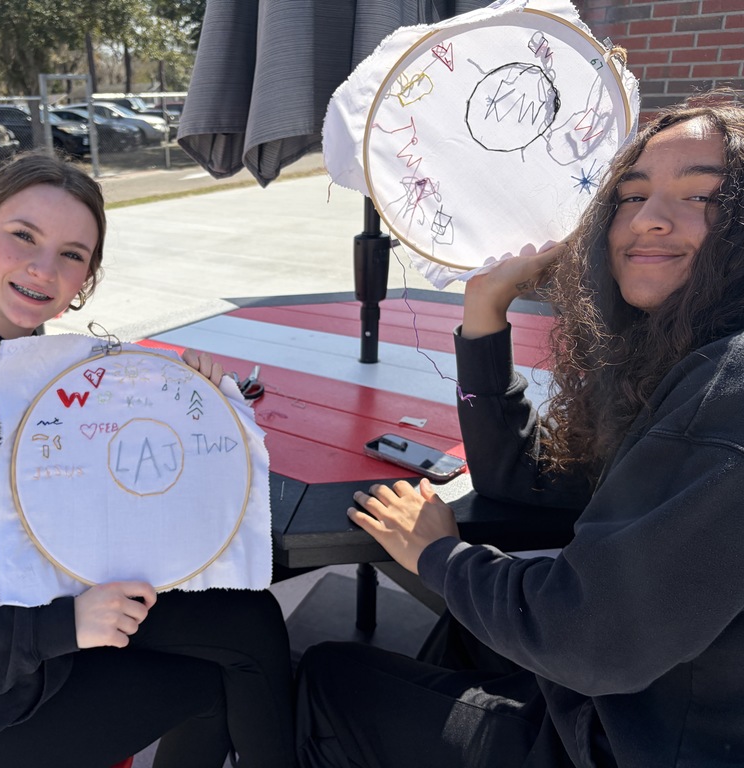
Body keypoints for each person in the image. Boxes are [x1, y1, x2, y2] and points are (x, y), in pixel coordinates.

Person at [295, 91, 744, 767]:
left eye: (701, 197)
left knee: (325, 676)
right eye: (631, 195)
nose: (649, 220)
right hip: (649, 703)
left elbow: (589, 639)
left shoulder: (726, 392)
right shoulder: (686, 355)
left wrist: (439, 557)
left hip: (629, 740)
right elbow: (522, 483)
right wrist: (484, 312)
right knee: (470, 624)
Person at [0, 152, 295, 768]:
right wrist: (60, 628)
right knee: (219, 680)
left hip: (43, 646)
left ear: (85, 280)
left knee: (248, 617)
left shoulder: (49, 379)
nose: (44, 267)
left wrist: (193, 406)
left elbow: (112, 515)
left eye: (72, 254)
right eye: (23, 236)